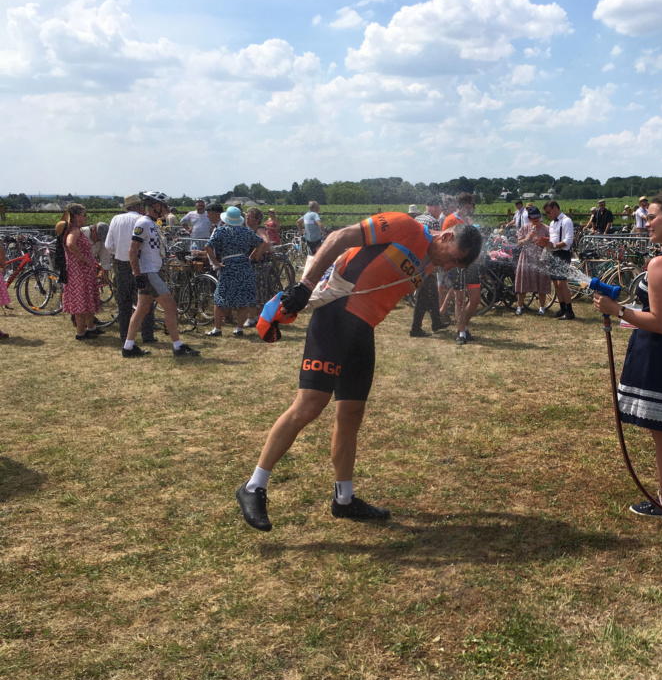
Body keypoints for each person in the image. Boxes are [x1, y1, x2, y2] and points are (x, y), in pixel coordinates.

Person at [234, 212, 483, 531]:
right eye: (453, 260)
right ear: (446, 236)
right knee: (308, 407)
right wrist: (305, 285)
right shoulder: (405, 227)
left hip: (362, 331)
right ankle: (253, 487)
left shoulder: (430, 259)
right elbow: (339, 238)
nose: (448, 267)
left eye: (455, 267)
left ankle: (344, 499)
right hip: (335, 319)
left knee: (351, 414)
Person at [592, 192, 662, 517]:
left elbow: (659, 322)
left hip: (660, 353)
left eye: (652, 216)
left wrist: (617, 310)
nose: (645, 222)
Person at [121, 191, 201, 358]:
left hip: (151, 270)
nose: (166, 209)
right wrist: (138, 276)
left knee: (142, 309)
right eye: (164, 205)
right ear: (156, 206)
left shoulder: (152, 223)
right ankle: (178, 346)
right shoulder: (143, 223)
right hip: (148, 272)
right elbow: (132, 250)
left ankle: (128, 347)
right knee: (170, 307)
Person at [204, 207, 268, 337]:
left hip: (228, 265)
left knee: (220, 297)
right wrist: (252, 256)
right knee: (243, 298)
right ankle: (239, 328)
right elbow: (261, 243)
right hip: (244, 265)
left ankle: (217, 328)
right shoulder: (246, 231)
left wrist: (215, 262)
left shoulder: (221, 231)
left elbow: (208, 246)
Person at [106, 194, 156, 343]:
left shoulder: (116, 219)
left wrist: (119, 252)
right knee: (145, 302)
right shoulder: (142, 221)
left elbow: (108, 246)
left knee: (124, 302)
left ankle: (124, 335)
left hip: (121, 264)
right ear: (139, 207)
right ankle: (147, 335)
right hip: (141, 264)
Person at [56, 204, 102, 340]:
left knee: (86, 299)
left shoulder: (75, 229)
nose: (86, 217)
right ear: (76, 216)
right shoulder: (74, 231)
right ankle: (81, 332)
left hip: (82, 271)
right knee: (81, 300)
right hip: (79, 272)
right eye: (84, 214)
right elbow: (70, 244)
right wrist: (82, 258)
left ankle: (91, 327)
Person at [443, 193, 481, 345]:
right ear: (466, 205)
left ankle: (463, 326)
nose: (473, 207)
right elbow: (444, 242)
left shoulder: (468, 220)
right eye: (472, 204)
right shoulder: (450, 220)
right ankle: (462, 333)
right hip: (455, 264)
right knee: (459, 299)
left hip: (470, 264)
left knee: (475, 299)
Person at [409, 199, 450, 336]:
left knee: (432, 294)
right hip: (427, 264)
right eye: (439, 209)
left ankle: (436, 322)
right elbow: (437, 246)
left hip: (415, 261)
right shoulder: (433, 222)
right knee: (423, 296)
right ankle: (415, 328)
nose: (440, 212)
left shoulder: (418, 219)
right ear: (435, 208)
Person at [514, 204, 552, 315]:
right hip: (526, 258)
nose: (536, 220)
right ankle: (519, 307)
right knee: (522, 284)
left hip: (541, 258)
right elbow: (519, 244)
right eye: (533, 218)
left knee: (542, 282)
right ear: (529, 218)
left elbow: (550, 244)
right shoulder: (524, 228)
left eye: (538, 218)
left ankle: (542, 307)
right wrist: (529, 237)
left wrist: (545, 243)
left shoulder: (546, 228)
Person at [541, 200, 575, 320]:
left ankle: (570, 311)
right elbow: (553, 238)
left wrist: (554, 245)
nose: (548, 215)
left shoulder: (566, 221)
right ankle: (562, 309)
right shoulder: (552, 223)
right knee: (556, 283)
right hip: (553, 253)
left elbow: (568, 240)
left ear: (555, 208)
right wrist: (545, 242)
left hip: (563, 253)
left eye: (548, 212)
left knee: (562, 283)